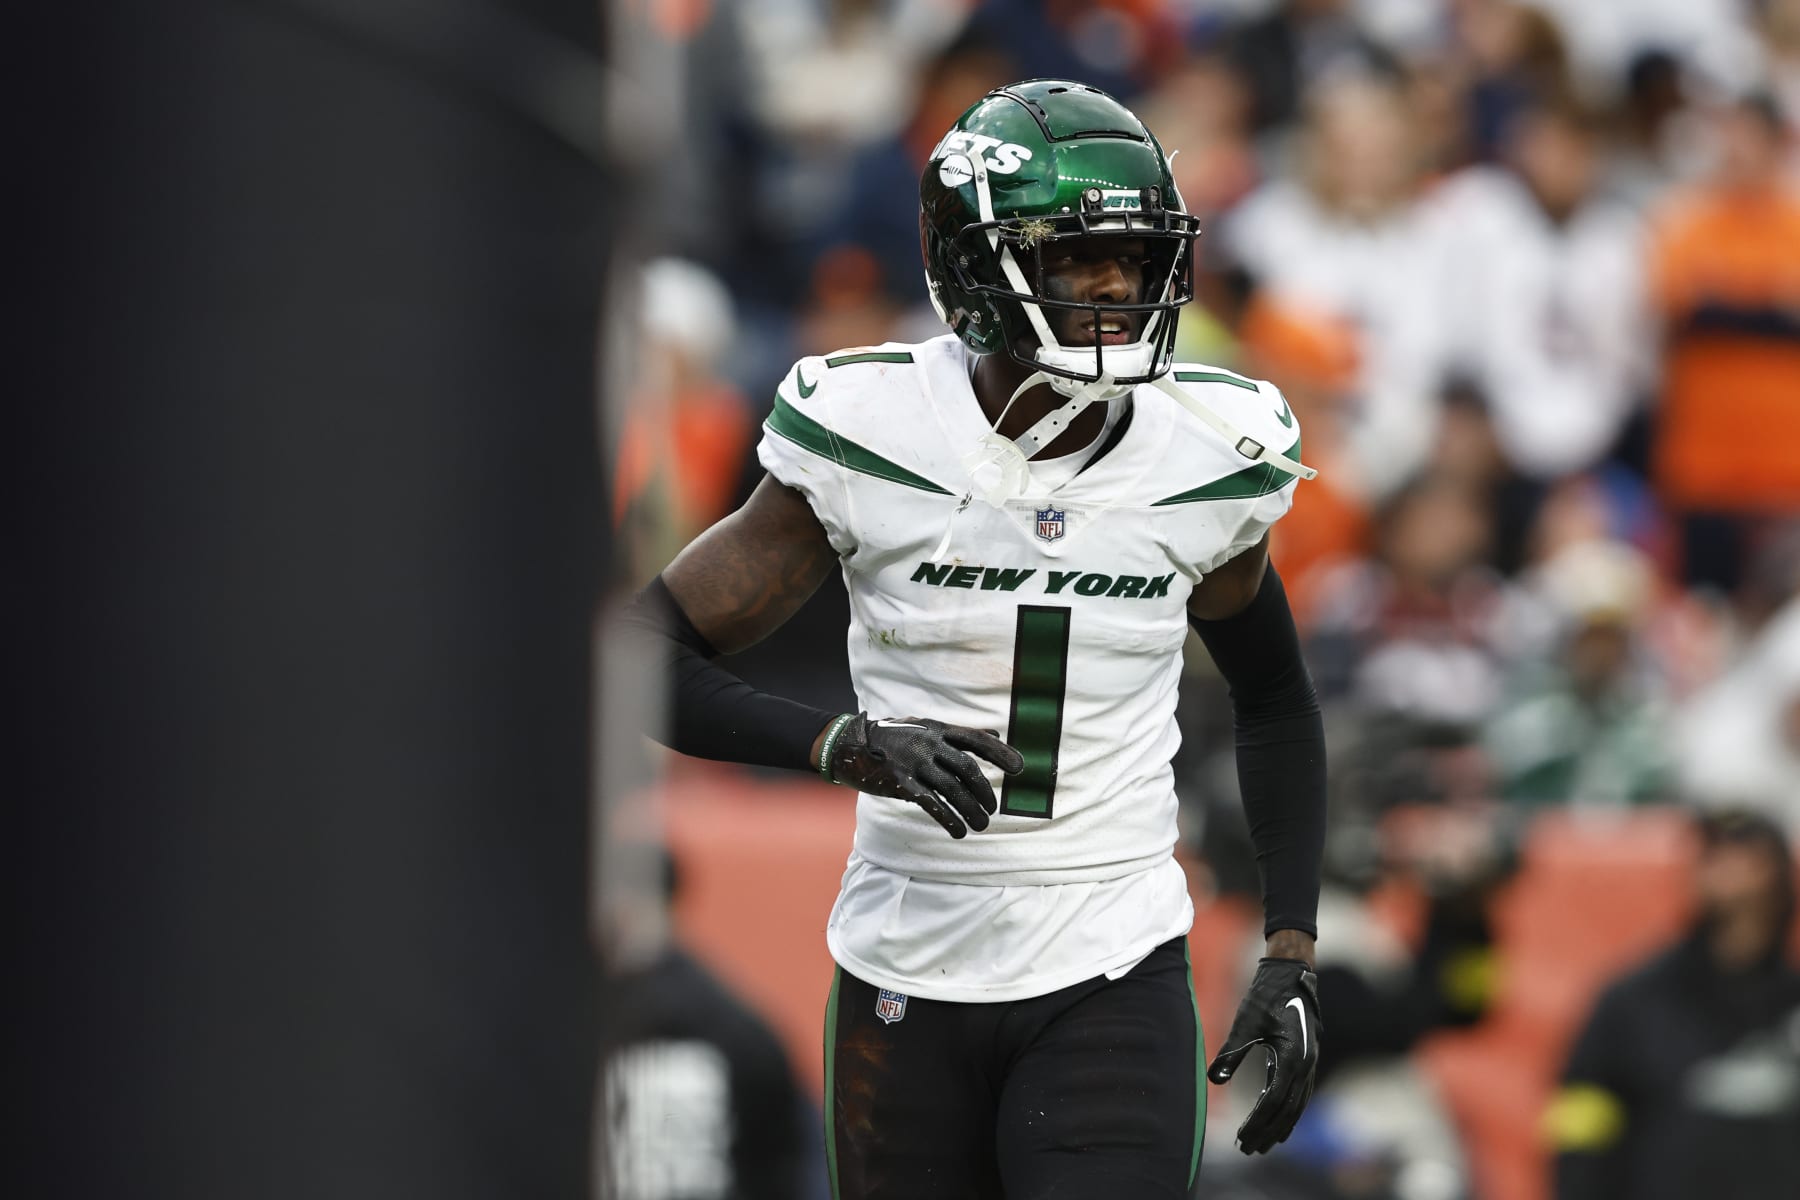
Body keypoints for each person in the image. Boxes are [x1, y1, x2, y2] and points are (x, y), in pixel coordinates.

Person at [628, 80, 1327, 1198]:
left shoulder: (1208, 452)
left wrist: (1290, 946)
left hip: (1111, 956)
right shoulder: (874, 434)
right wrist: (846, 747)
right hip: (909, 961)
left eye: (1135, 261)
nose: (1116, 289)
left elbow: (1278, 699)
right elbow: (641, 662)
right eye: (1078, 259)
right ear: (976, 266)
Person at [1548, 809, 1800, 1200]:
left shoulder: (1790, 1002)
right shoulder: (1633, 1002)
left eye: (1749, 859)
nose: (1731, 875)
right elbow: (1580, 1123)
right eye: (1714, 855)